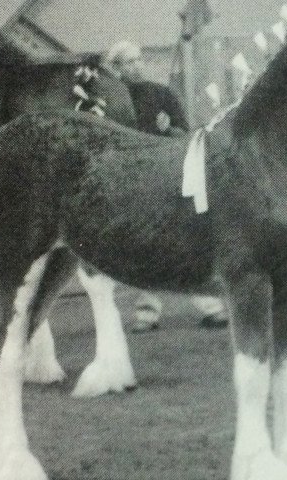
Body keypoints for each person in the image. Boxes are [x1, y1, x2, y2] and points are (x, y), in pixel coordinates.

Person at [106, 40, 228, 332]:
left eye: (139, 59)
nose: (137, 65)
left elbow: (186, 135)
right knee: (144, 246)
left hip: (168, 177)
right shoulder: (110, 101)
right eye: (129, 62)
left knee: (183, 242)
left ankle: (212, 307)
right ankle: (147, 313)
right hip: (132, 181)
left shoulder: (162, 94)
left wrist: (167, 129)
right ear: (118, 68)